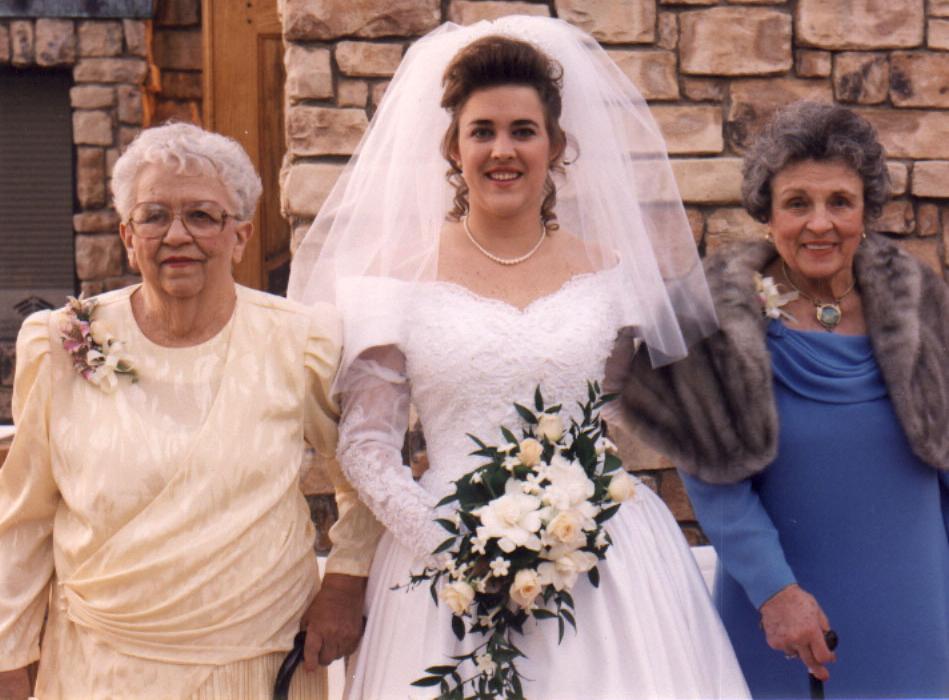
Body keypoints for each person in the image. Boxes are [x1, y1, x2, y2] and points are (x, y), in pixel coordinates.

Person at [289, 16, 749, 699]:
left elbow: (643, 411)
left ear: (555, 145)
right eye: (482, 131)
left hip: (600, 561)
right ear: (452, 146)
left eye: (522, 131)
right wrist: (457, 548)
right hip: (443, 566)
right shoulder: (395, 276)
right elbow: (366, 444)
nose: (501, 150)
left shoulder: (612, 273)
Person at [0, 123, 384, 699]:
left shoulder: (300, 341)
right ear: (127, 236)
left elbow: (364, 476)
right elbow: (25, 513)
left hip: (258, 664)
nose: (177, 235)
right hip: (100, 669)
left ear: (240, 236)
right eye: (154, 216)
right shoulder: (61, 343)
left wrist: (345, 582)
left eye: (202, 216)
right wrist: (8, 652)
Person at [618, 101, 949, 698]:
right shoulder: (715, 318)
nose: (820, 223)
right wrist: (776, 593)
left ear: (866, 212)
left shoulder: (922, 304)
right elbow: (713, 483)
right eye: (798, 203)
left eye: (840, 202)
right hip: (780, 616)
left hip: (916, 607)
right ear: (767, 214)